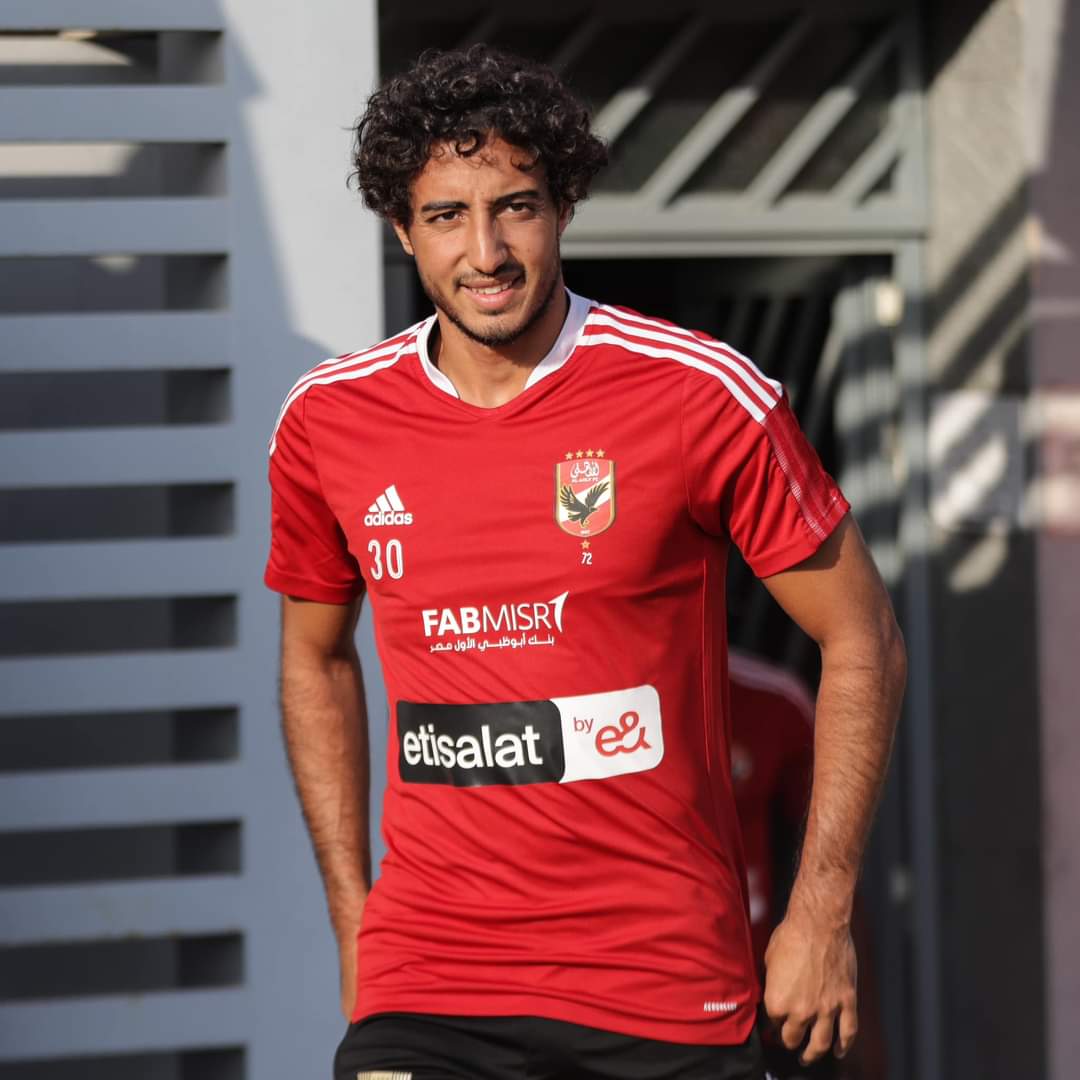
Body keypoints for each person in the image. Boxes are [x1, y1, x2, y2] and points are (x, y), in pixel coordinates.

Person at [264, 45, 906, 1080]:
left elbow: (863, 634)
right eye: (446, 216)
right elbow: (313, 656)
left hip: (661, 986)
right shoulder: (329, 419)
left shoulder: (701, 395)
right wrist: (354, 918)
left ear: (564, 205)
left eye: (515, 207)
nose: (485, 251)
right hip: (431, 982)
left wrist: (820, 913)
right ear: (402, 229)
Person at [728, 651, 887, 1080]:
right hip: (637, 1003)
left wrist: (865, 1037)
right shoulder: (597, 702)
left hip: (768, 1011)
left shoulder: (775, 705)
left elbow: (835, 876)